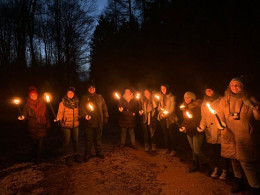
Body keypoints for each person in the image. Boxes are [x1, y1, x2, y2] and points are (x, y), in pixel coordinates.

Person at [217, 78, 260, 194]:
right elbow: (219, 113)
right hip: (229, 134)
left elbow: (257, 117)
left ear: (242, 86)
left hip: (244, 135)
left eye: (237, 85)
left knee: (245, 162)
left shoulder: (249, 99)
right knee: (233, 160)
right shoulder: (225, 100)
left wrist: (254, 107)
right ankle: (238, 181)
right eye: (232, 85)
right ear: (229, 87)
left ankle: (254, 186)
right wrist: (220, 123)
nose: (234, 87)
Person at [198, 84, 229, 179]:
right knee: (213, 152)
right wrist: (201, 126)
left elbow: (225, 115)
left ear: (214, 90)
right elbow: (204, 117)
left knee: (223, 152)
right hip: (210, 131)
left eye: (210, 90)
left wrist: (223, 125)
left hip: (220, 130)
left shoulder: (221, 100)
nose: (209, 92)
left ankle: (224, 170)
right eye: (207, 91)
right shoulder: (204, 104)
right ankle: (215, 169)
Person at [179, 91, 210, 176]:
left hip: (197, 131)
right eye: (185, 97)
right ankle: (195, 164)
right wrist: (183, 126)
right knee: (193, 150)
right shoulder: (185, 107)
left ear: (193, 98)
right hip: (189, 132)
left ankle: (206, 165)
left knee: (197, 150)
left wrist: (187, 127)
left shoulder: (197, 107)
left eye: (188, 97)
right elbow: (186, 119)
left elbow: (196, 121)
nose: (186, 99)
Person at [18, 87, 50, 164]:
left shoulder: (42, 103)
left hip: (41, 126)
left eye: (35, 95)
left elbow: (47, 114)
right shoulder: (27, 105)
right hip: (32, 128)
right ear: (29, 96)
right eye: (32, 95)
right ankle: (35, 157)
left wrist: (48, 124)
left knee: (40, 144)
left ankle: (38, 159)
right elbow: (24, 115)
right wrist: (22, 118)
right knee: (33, 144)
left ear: (37, 95)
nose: (33, 96)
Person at [80, 81, 109, 162]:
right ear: (88, 89)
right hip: (89, 122)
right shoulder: (84, 97)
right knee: (88, 139)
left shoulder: (100, 97)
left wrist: (106, 116)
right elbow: (82, 108)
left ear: (95, 89)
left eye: (93, 88)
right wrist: (85, 115)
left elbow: (104, 107)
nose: (92, 89)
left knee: (98, 138)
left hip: (99, 121)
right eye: (90, 88)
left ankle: (99, 152)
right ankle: (87, 154)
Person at [56, 87, 81, 166]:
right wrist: (58, 119)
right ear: (66, 94)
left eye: (72, 93)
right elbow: (60, 113)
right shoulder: (62, 103)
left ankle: (76, 156)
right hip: (66, 125)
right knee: (66, 142)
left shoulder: (77, 102)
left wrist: (82, 116)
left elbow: (79, 113)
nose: (70, 94)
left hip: (75, 124)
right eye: (69, 93)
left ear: (74, 94)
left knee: (76, 141)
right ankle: (67, 157)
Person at [157, 84, 178, 157]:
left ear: (167, 88)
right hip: (163, 117)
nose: (163, 90)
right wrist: (159, 109)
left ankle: (174, 149)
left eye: (164, 88)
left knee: (171, 134)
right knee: (165, 133)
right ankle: (167, 148)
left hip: (170, 119)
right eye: (161, 89)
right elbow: (160, 106)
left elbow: (172, 109)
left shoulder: (172, 97)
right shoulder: (161, 97)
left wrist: (167, 114)